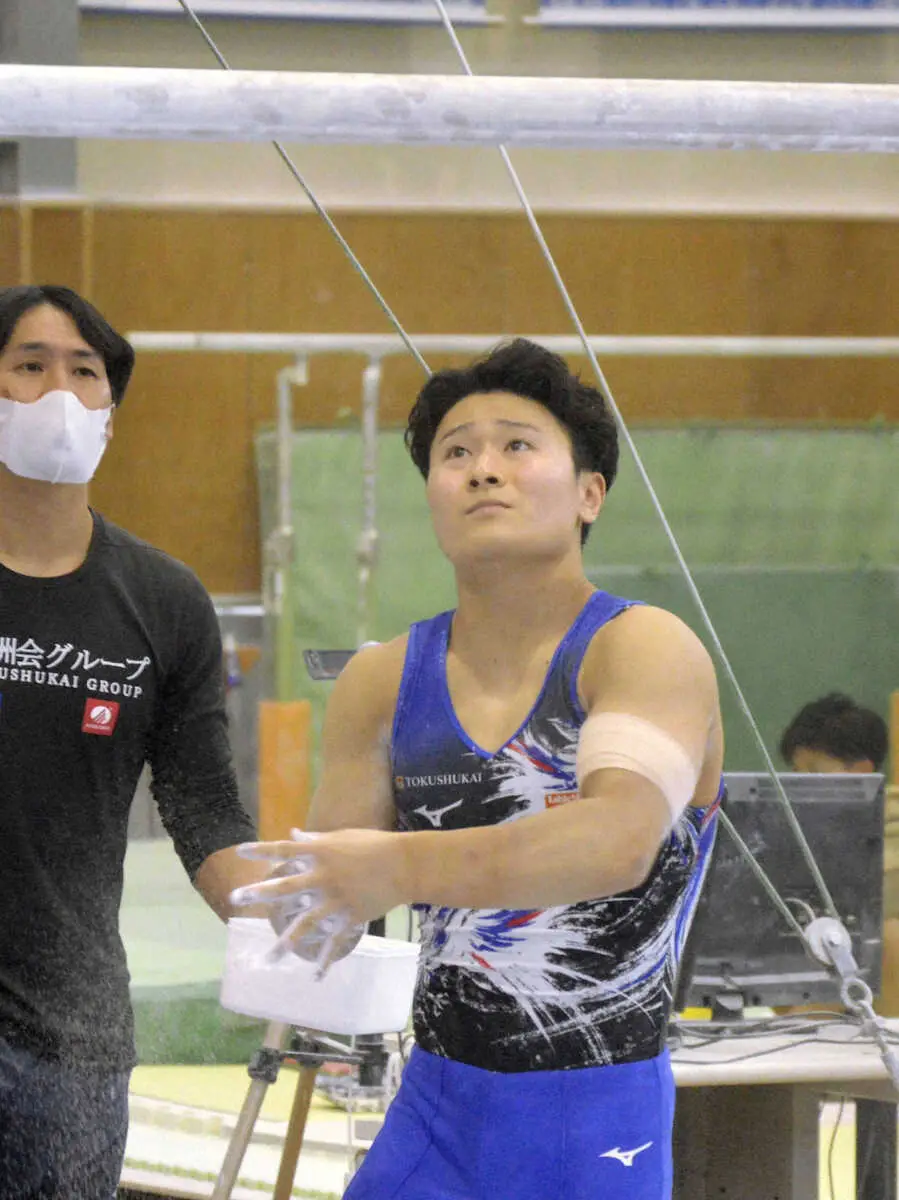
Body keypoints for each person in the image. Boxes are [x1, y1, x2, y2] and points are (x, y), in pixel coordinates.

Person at [234, 339, 724, 1199]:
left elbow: (615, 843)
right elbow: (324, 905)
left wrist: (395, 867)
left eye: (516, 446)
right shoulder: (381, 680)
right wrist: (281, 901)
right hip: (436, 1106)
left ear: (589, 493)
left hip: (592, 1114)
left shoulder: (642, 648)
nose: (482, 469)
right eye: (455, 453)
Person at [0, 285, 266, 1198]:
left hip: (67, 1033)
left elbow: (204, 807)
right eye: (29, 366)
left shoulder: (164, 601)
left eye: (85, 373)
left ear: (110, 412)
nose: (60, 394)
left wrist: (290, 911)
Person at [779, 692, 898, 1016]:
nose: (800, 787)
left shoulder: (888, 829)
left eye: (814, 772)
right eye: (796, 773)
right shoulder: (798, 836)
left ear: (861, 771)